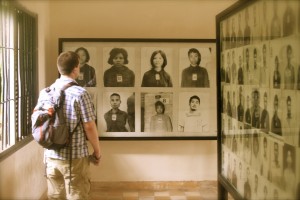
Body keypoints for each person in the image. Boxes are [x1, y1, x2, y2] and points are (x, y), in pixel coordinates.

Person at [40, 51, 101, 199]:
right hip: (74, 157)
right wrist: (97, 152)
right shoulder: (81, 93)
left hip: (50, 156)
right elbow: (89, 126)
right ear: (75, 68)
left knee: (55, 196)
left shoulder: (46, 92)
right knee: (77, 195)